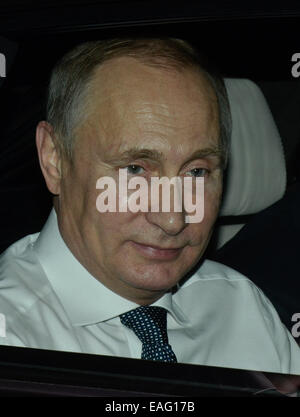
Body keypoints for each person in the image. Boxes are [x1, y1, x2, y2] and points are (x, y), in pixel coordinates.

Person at [0, 38, 299, 375]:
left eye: (197, 171)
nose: (173, 219)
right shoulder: (12, 341)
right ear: (54, 160)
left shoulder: (243, 309)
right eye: (135, 169)